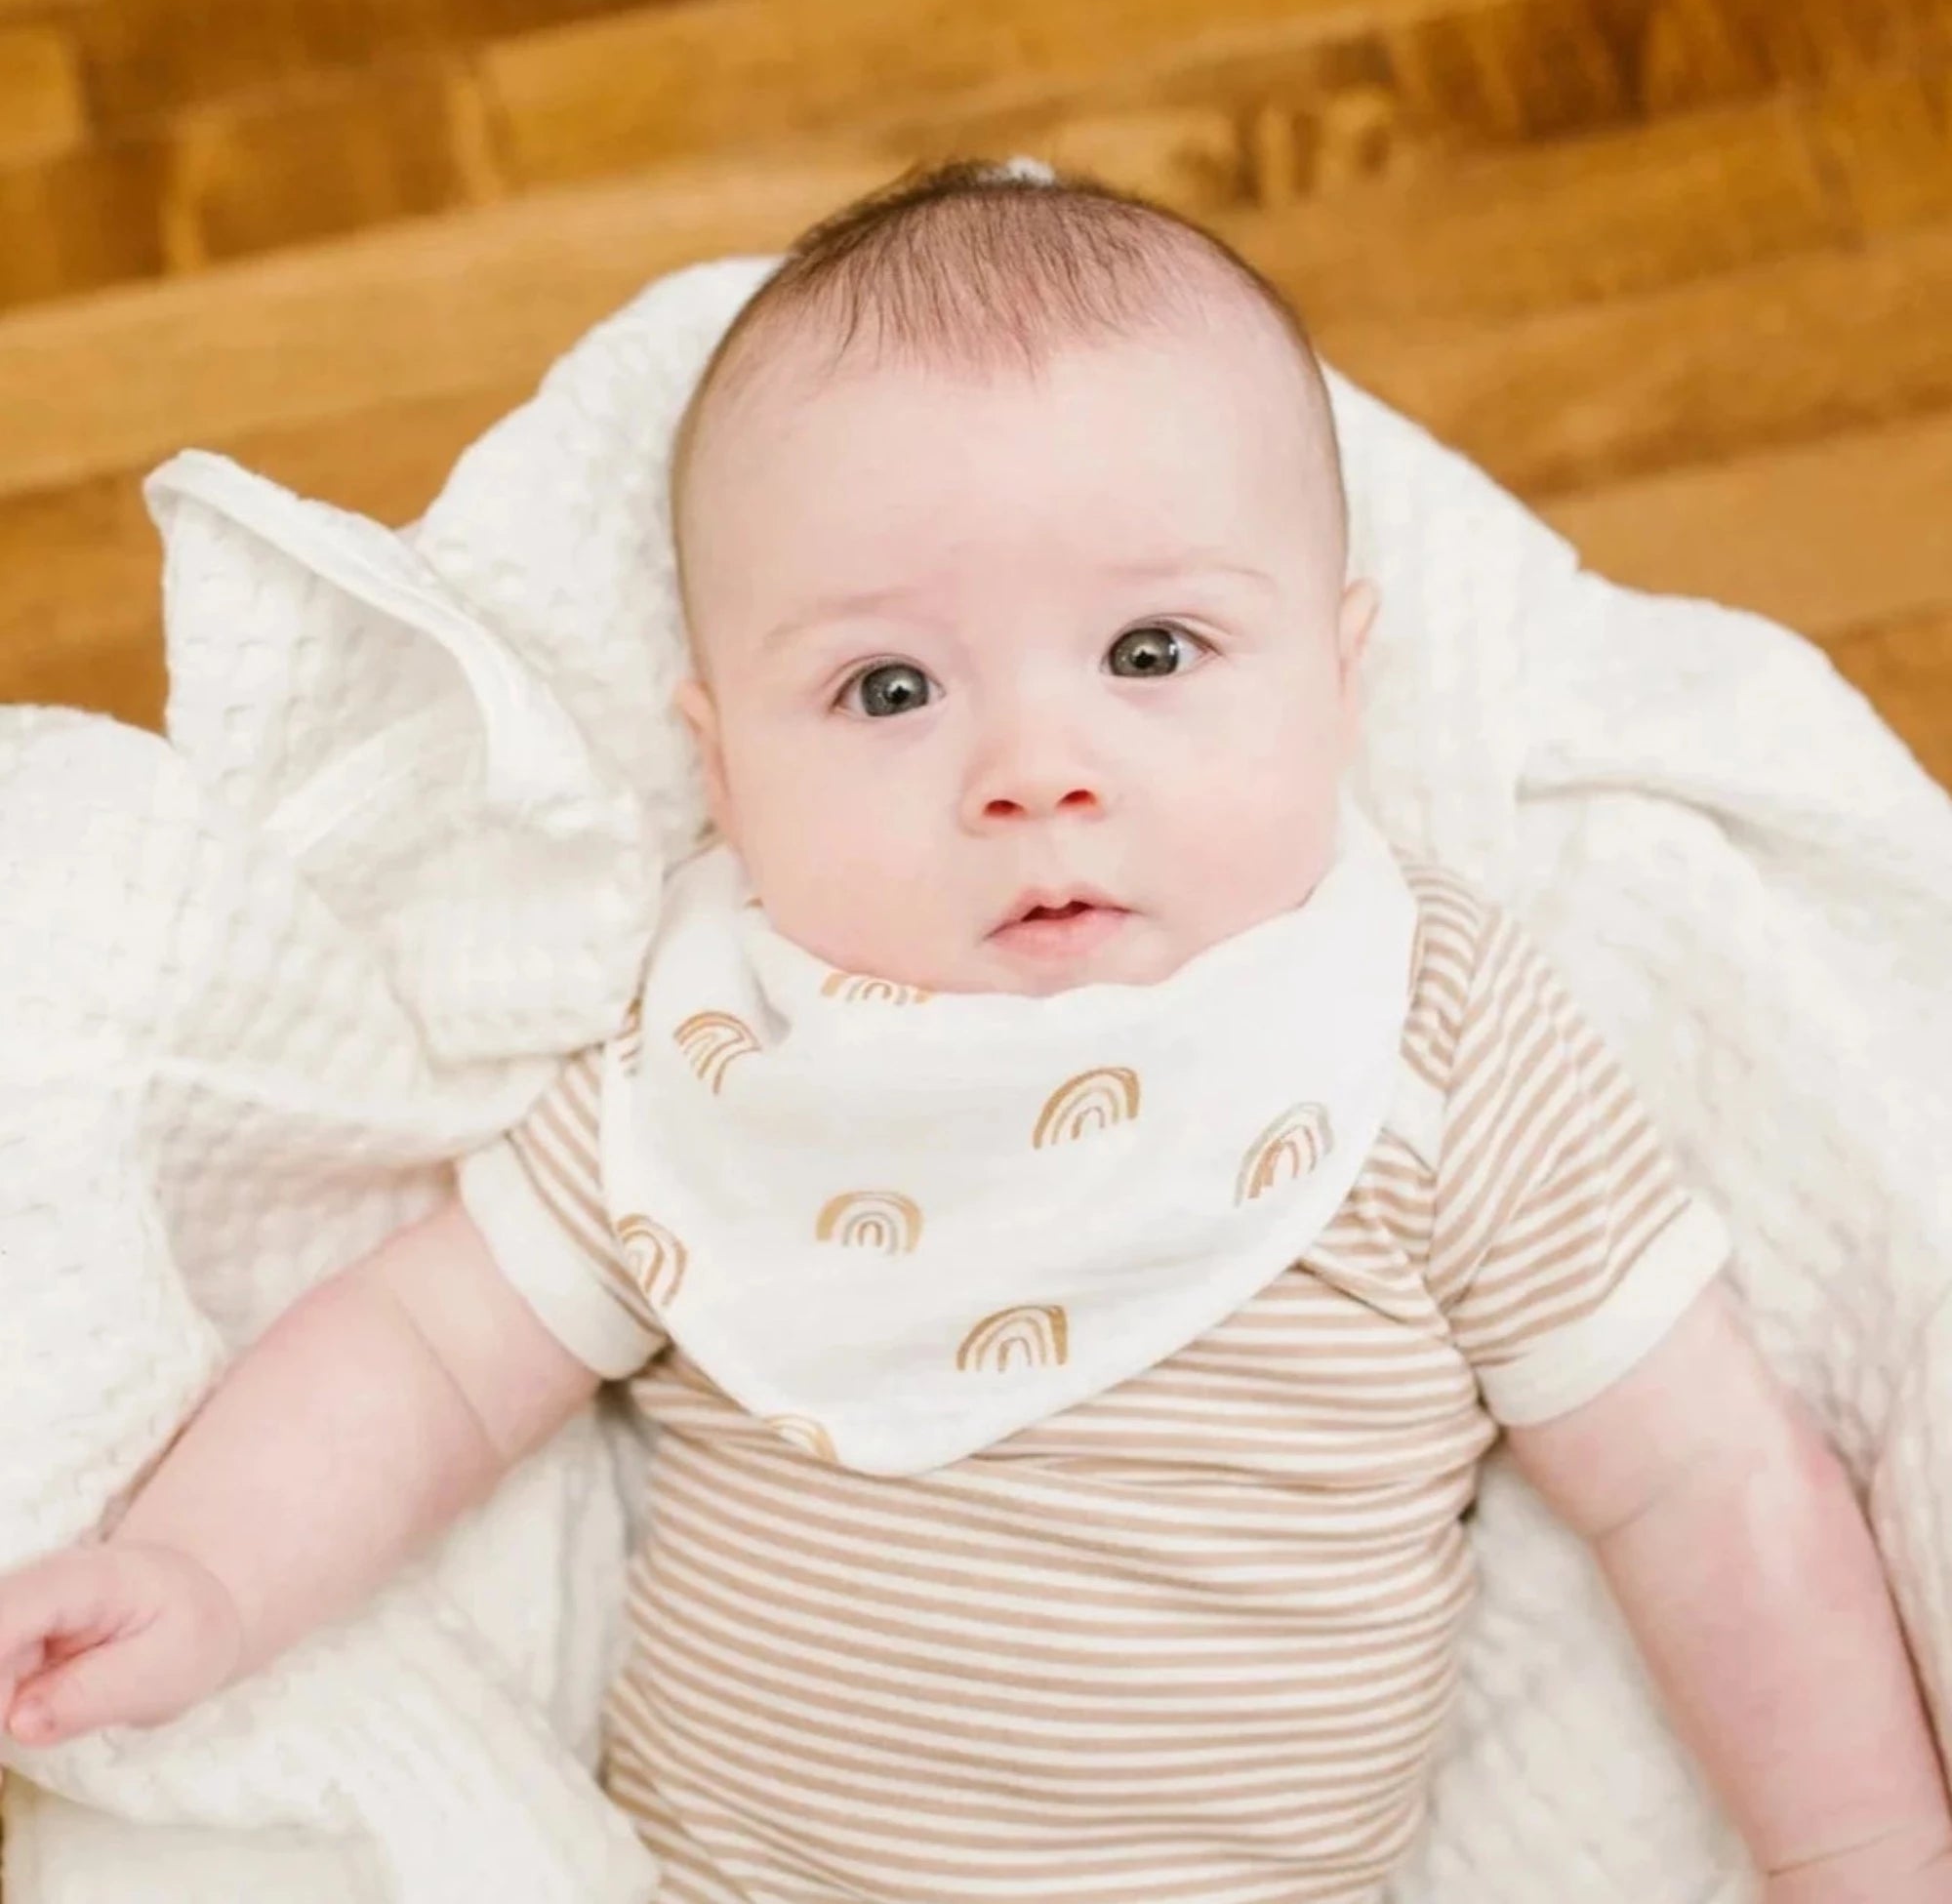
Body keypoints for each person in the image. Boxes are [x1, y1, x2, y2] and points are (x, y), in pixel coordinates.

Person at [2, 161, 1947, 1904]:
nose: (1034, 770)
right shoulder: (721, 1046)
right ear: (723, 763)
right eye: (889, 686)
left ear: (1341, 678)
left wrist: (1862, 1855)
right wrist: (206, 1576)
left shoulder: (1425, 1025)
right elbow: (424, 1355)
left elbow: (1703, 1477)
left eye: (1151, 654)